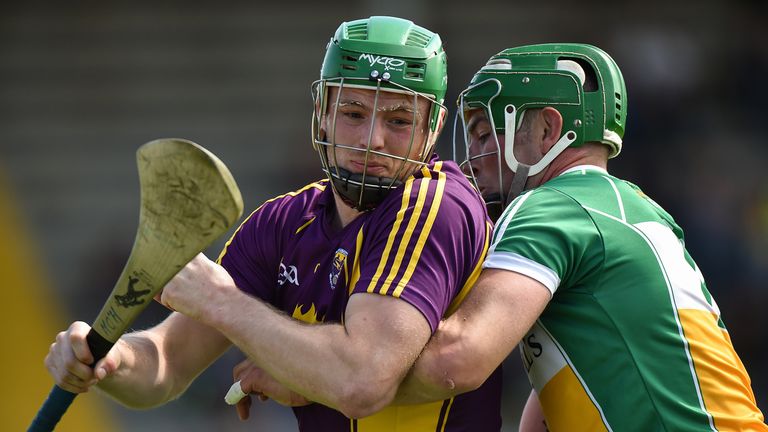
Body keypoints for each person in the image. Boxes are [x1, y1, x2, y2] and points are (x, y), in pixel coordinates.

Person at [44, 16, 503, 431]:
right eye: (353, 114)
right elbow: (166, 364)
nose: (372, 140)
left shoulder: (435, 203)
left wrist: (220, 301)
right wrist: (108, 359)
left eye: (399, 120)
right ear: (322, 113)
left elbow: (361, 381)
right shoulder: (282, 223)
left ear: (434, 128)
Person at [391, 43, 767, 431]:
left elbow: (455, 358)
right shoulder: (633, 206)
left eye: (486, 134)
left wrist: (350, 366)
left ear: (548, 131)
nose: (472, 155)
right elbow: (560, 394)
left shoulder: (552, 207)